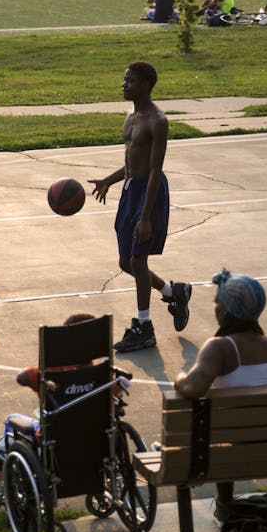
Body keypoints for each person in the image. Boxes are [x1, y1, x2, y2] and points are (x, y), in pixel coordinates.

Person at [89, 61, 191, 352]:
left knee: (137, 261)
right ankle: (174, 291)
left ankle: (143, 327)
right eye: (124, 79)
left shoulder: (157, 121)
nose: (124, 84)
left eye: (130, 81)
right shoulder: (131, 115)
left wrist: (146, 217)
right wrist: (109, 180)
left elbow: (155, 170)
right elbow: (132, 161)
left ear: (146, 84)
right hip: (131, 190)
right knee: (125, 261)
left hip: (150, 194)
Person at [174, 268, 267, 505]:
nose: (215, 308)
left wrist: (178, 377)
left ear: (226, 310)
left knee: (214, 425)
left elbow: (191, 389)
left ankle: (224, 502)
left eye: (218, 303)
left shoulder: (219, 348)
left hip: (230, 450)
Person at [0, 312, 130, 486]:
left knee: (12, 421)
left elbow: (22, 377)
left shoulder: (51, 374)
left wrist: (35, 375)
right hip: (96, 446)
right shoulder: (105, 377)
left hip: (57, 447)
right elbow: (117, 397)